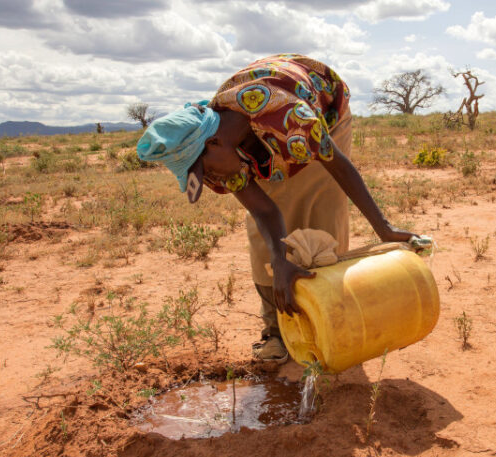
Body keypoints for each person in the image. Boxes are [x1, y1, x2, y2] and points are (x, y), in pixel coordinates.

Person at [137, 54, 415, 363]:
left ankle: (328, 322)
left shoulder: (292, 118)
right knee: (265, 240)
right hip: (261, 137)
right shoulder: (222, 149)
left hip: (323, 116)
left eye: (206, 171)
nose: (213, 180)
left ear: (214, 145)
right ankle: (276, 329)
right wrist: (280, 261)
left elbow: (340, 169)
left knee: (320, 214)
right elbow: (264, 212)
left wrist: (384, 228)